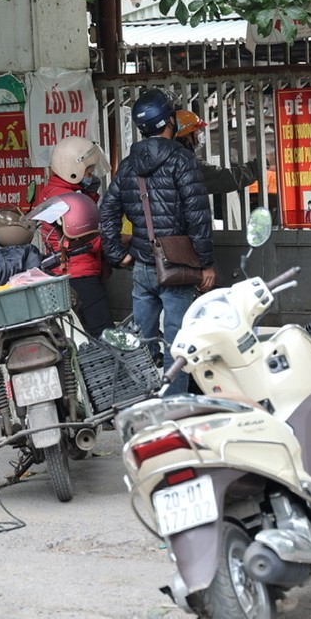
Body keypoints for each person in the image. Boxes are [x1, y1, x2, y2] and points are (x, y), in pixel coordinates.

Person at [100, 89, 214, 395]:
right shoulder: (182, 161)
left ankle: (142, 399)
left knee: (141, 340)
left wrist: (116, 254)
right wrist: (205, 263)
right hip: (177, 267)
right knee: (177, 342)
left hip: (142, 267)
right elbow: (198, 215)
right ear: (170, 122)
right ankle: (173, 404)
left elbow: (107, 210)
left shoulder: (128, 164)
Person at [34, 136, 113, 338]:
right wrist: (118, 243)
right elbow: (89, 241)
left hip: (63, 272)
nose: (92, 175)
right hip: (80, 273)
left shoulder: (52, 191)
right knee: (104, 335)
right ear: (72, 170)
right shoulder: (69, 200)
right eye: (88, 171)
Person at [173, 109, 259, 195]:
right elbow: (226, 179)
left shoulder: (171, 157)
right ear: (186, 136)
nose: (199, 133)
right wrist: (258, 166)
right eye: (196, 130)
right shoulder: (187, 164)